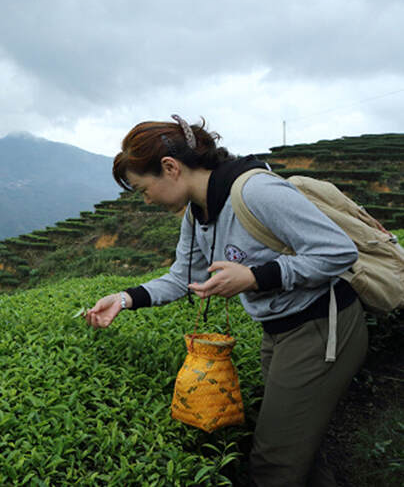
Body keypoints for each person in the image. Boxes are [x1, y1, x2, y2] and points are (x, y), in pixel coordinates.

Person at [85, 115, 368, 486]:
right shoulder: (197, 213)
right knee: (299, 451)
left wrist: (254, 276)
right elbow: (182, 278)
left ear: (170, 168)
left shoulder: (255, 192)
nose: (146, 199)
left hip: (321, 328)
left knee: (273, 462)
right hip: (279, 332)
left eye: (142, 189)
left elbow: (339, 252)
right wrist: (124, 299)